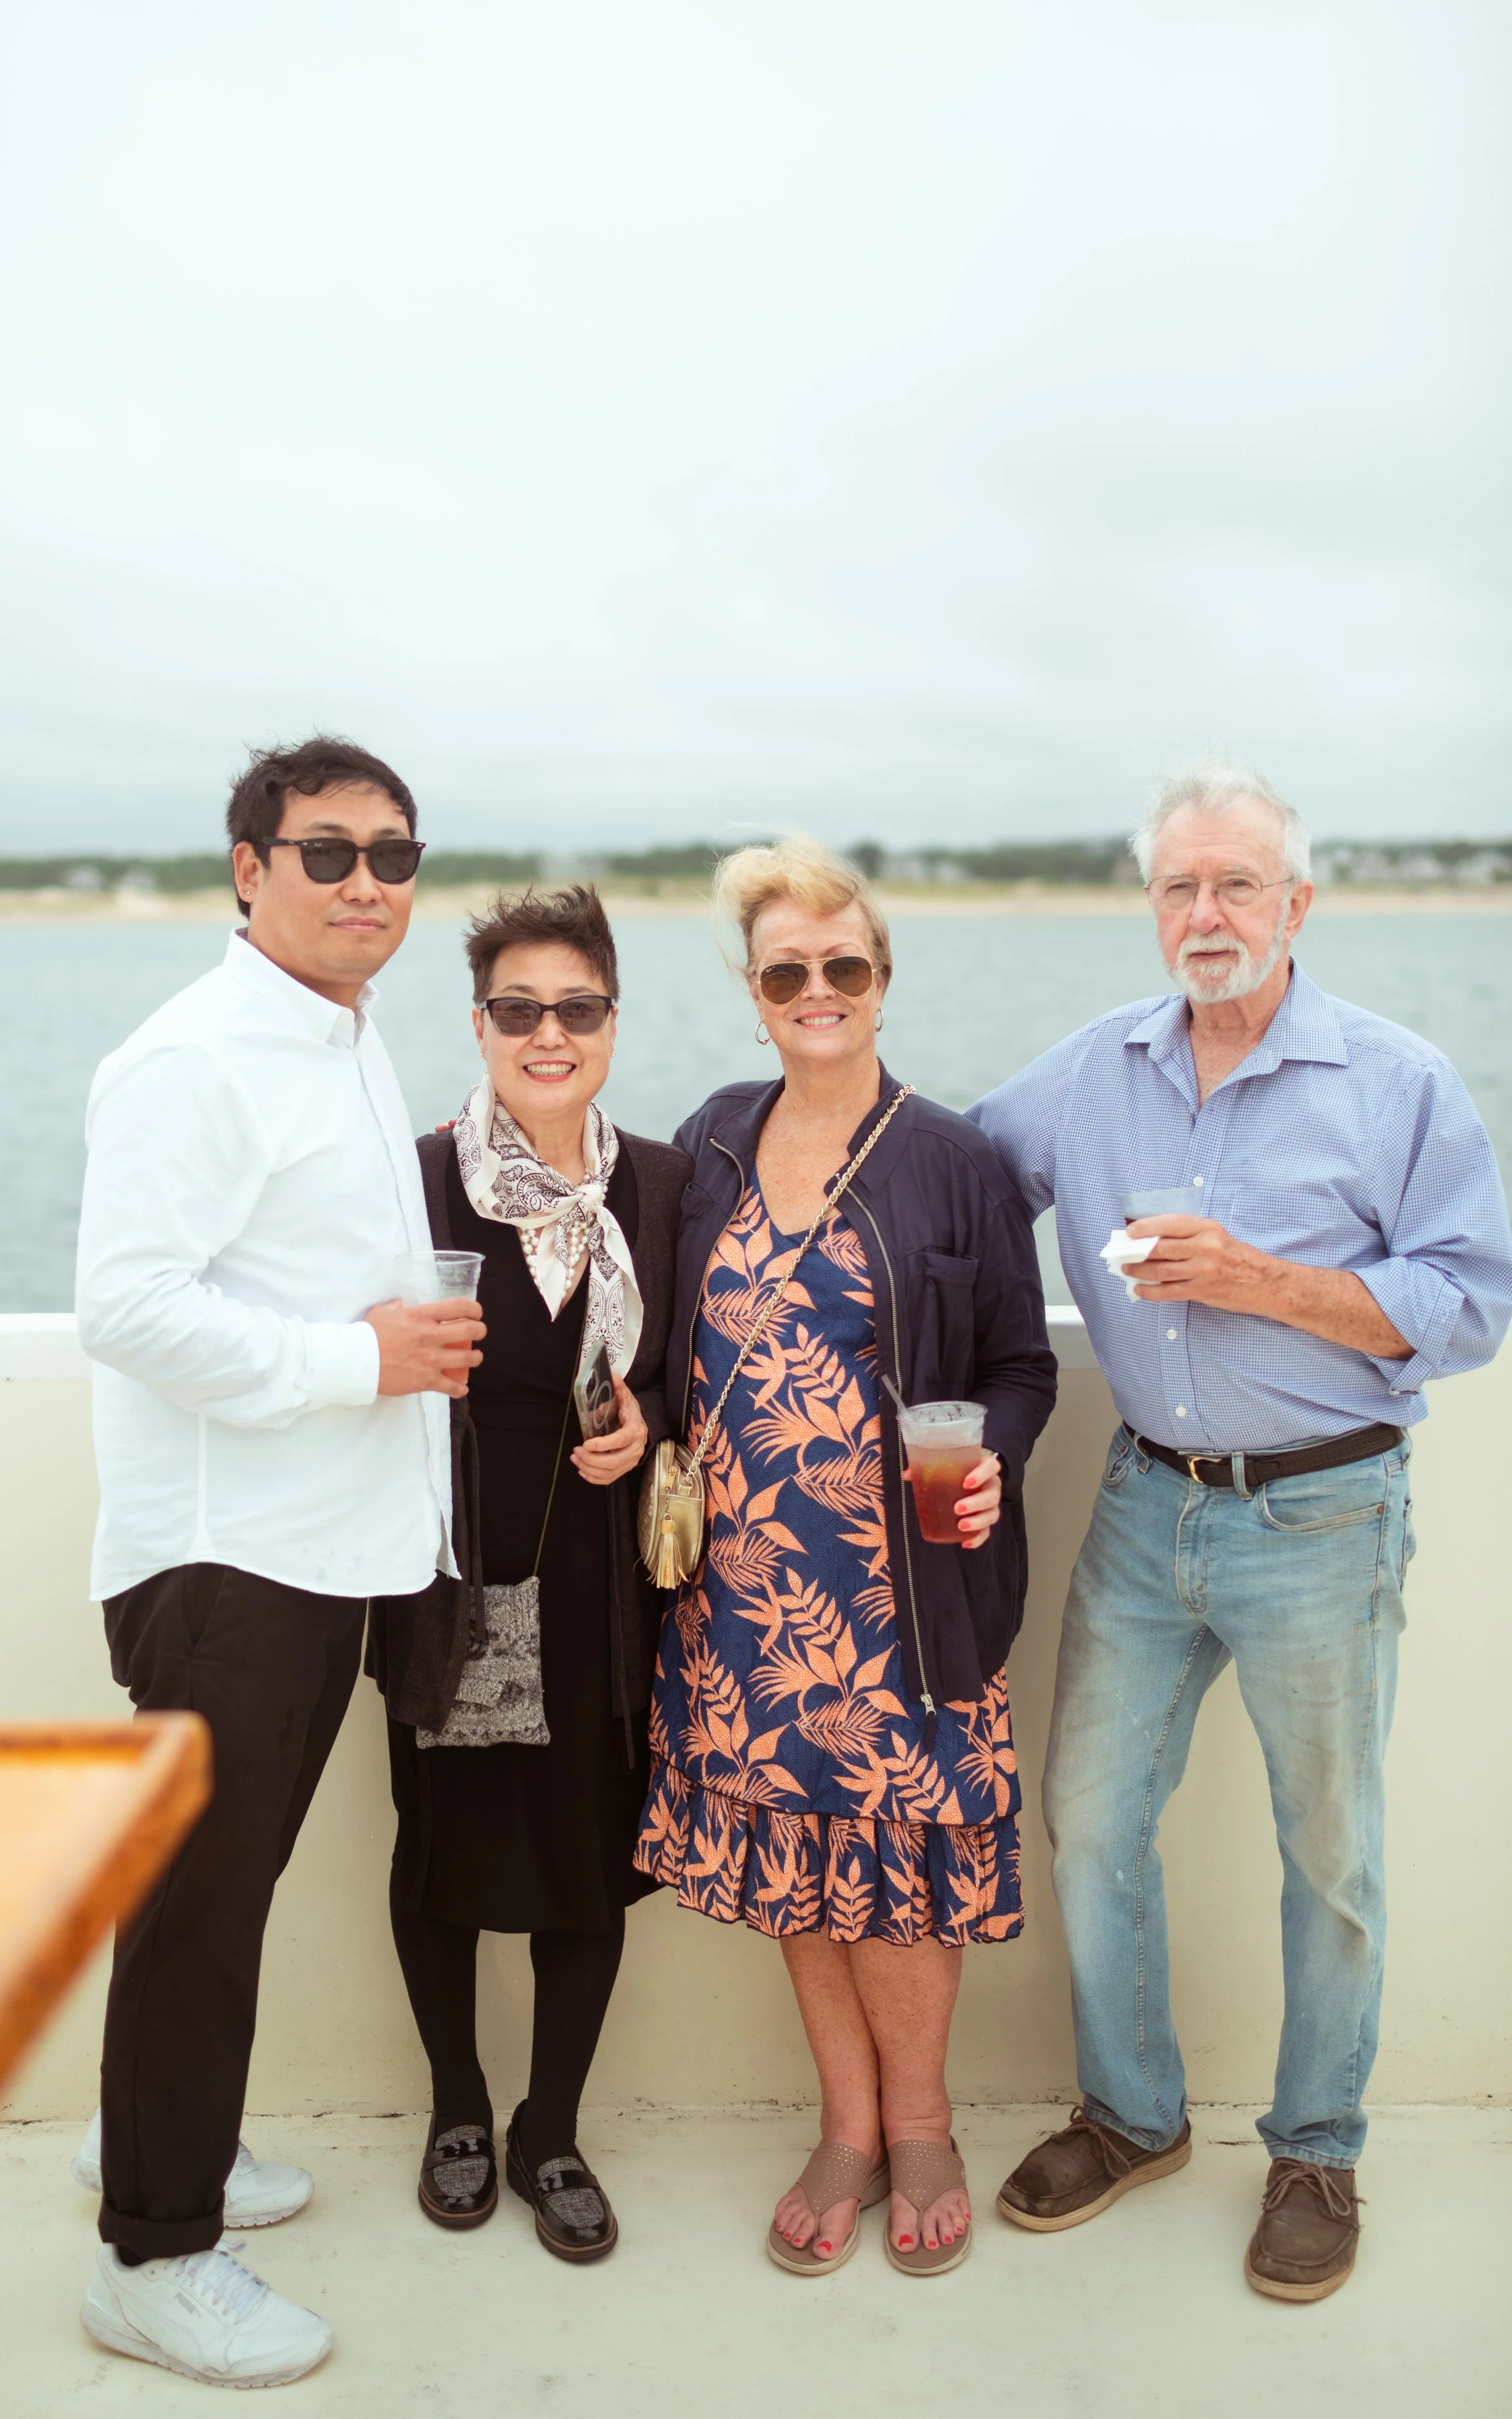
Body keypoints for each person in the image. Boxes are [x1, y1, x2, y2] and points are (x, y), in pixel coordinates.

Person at [970, 757, 1512, 2302]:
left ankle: (1316, 2151)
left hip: (1324, 1510)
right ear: (1149, 907)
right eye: (1177, 886)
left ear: (1295, 903)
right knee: (1088, 1820)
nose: (1204, 913)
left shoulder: (1396, 1080)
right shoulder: (1092, 1069)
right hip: (1144, 1500)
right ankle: (1131, 2116)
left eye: (1235, 883)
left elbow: (1468, 1301)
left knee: (1326, 1856)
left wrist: (1254, 1279)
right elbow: (950, 1172)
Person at [70, 737, 483, 2389]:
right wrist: (355, 1358)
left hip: (318, 1550)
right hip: (224, 1562)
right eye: (327, 852)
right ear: (249, 870)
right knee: (197, 1908)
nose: (366, 881)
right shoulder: (195, 1058)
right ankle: (153, 2254)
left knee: (218, 1894)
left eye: (393, 853)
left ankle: (155, 2137)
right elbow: (127, 1308)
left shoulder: (343, 1031)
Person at [635, 836, 1057, 2276]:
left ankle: (923, 2124)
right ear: (752, 993)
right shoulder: (709, 1139)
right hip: (742, 1592)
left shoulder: (954, 1161)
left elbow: (1019, 1367)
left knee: (895, 1863)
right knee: (792, 1857)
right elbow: (649, 1328)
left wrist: (991, 1456)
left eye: (842, 966)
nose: (815, 990)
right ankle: (848, 2126)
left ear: (882, 979)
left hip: (901, 1595)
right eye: (784, 973)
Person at [367, 885, 690, 2259]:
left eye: (576, 1007)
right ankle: (457, 2102)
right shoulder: (416, 1176)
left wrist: (647, 1417)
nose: (548, 1033)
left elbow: (694, 1365)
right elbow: (351, 1344)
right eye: (518, 1009)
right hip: (448, 1569)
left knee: (587, 1854)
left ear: (611, 1020)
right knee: (438, 1848)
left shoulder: (663, 1184)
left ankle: (547, 2126)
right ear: (480, 1025)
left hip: (602, 1584)